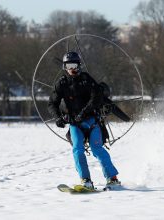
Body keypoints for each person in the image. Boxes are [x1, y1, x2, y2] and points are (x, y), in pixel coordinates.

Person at [48, 51, 121, 189]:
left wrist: (84, 112)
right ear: (64, 67)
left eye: (74, 65)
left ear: (79, 65)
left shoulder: (86, 79)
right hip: (75, 125)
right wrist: (58, 117)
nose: (72, 69)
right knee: (77, 149)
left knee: (97, 149)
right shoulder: (61, 83)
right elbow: (52, 103)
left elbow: (96, 97)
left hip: (92, 121)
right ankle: (85, 180)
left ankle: (112, 178)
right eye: (68, 66)